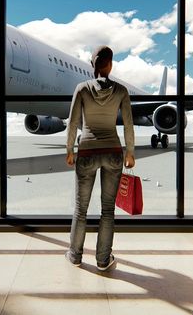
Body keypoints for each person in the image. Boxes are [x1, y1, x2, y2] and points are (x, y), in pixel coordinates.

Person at [64, 46, 135, 272]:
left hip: (86, 152)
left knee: (80, 209)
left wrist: (69, 150)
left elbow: (73, 122)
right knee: (107, 210)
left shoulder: (82, 89)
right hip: (113, 152)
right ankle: (103, 260)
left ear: (92, 64)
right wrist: (130, 152)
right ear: (110, 64)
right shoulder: (122, 91)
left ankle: (75, 255)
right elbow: (128, 125)